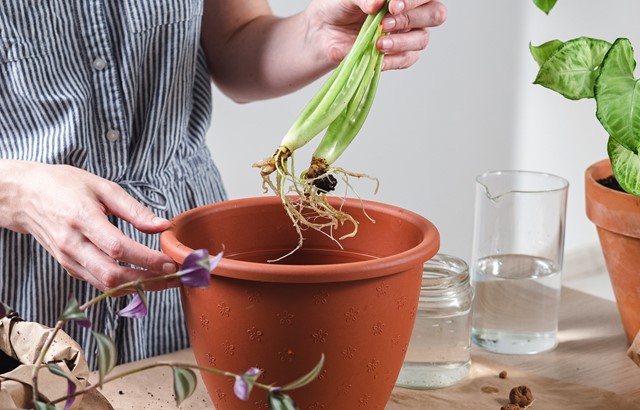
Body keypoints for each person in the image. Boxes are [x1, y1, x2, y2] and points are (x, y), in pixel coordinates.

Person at [0, 0, 447, 368]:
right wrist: (21, 192)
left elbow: (234, 41)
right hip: (27, 273)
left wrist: (318, 33)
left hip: (187, 253)